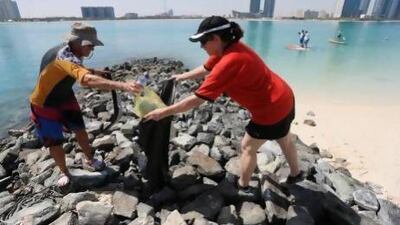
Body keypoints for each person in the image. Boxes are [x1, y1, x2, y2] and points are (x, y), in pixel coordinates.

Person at [144, 16, 302, 191]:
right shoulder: (229, 48)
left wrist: (164, 112)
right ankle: (296, 174)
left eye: (203, 42)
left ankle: (243, 186)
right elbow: (206, 68)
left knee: (247, 147)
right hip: (284, 96)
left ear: (216, 38)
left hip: (269, 109)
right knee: (284, 138)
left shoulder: (229, 61)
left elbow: (197, 99)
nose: (201, 46)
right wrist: (182, 76)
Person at [30, 22, 142, 187]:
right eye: (90, 45)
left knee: (80, 129)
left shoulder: (69, 51)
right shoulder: (63, 56)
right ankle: (64, 172)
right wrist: (123, 86)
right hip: (44, 103)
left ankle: (90, 158)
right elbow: (85, 80)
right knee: (55, 142)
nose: (93, 49)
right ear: (79, 43)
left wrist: (95, 71)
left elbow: (73, 67)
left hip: (65, 96)